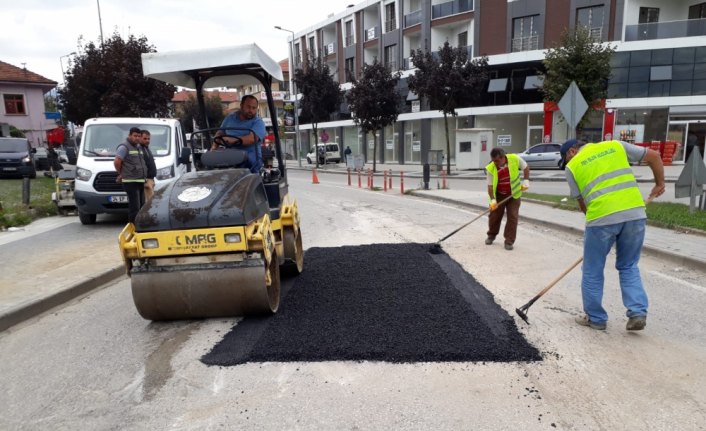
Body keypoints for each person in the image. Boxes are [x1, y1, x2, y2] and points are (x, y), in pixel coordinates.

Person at [559, 138, 665, 331]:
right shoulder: (616, 145)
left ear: (571, 152)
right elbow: (655, 156)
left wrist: (596, 230)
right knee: (628, 265)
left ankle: (596, 318)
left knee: (592, 269)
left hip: (600, 219)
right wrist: (660, 183)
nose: (566, 163)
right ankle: (637, 312)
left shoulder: (572, 167)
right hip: (634, 214)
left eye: (565, 159)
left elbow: (583, 204)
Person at [484, 147, 530, 251]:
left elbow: (526, 167)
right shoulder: (491, 168)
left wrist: (526, 180)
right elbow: (490, 187)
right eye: (493, 160)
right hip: (499, 195)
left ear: (503, 157)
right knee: (494, 216)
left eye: (496, 160)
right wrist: (492, 200)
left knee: (513, 217)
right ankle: (491, 235)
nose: (494, 162)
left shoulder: (515, 159)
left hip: (514, 194)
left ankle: (509, 241)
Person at [211, 94, 266, 173]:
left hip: (250, 158)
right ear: (241, 106)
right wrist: (213, 148)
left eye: (254, 108)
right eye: (248, 107)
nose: (251, 110)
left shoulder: (258, 122)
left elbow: (252, 139)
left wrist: (232, 140)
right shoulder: (230, 118)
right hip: (230, 156)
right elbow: (220, 132)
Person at [114, 127, 148, 224]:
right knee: (135, 207)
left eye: (138, 136)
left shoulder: (138, 147)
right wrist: (121, 173)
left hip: (140, 180)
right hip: (130, 181)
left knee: (142, 206)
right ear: (129, 136)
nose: (137, 138)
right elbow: (117, 161)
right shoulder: (124, 147)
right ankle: (133, 226)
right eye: (135, 136)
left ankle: (141, 225)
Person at [140, 129, 157, 202]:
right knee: (149, 204)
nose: (147, 140)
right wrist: (145, 180)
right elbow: (139, 165)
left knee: (150, 202)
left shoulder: (146, 148)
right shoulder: (139, 149)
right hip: (146, 180)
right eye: (145, 138)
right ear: (140, 138)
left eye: (148, 139)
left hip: (151, 179)